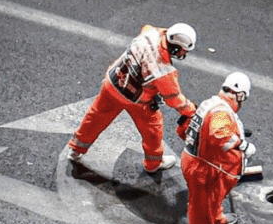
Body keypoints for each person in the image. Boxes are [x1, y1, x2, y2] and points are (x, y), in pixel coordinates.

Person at [68, 23, 198, 173]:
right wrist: (190, 110)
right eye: (183, 51)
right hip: (137, 101)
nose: (183, 54)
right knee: (153, 130)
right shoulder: (164, 72)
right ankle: (153, 164)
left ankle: (76, 150)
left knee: (95, 118)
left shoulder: (151, 33)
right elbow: (174, 99)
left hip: (113, 85)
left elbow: (147, 28)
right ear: (175, 48)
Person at [180, 72, 255, 224]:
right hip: (203, 170)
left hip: (203, 165)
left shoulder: (212, 103)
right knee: (200, 213)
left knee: (212, 200)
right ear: (239, 95)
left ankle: (217, 219)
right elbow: (218, 135)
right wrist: (242, 145)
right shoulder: (221, 113)